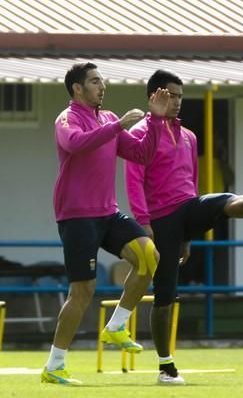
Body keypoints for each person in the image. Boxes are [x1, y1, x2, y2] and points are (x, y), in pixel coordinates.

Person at [124, 69, 243, 385]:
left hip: (188, 209)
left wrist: (189, 236)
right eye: (171, 95)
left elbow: (191, 182)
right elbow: (133, 180)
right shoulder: (140, 133)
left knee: (221, 200)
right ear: (154, 96)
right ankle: (165, 366)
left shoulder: (189, 136)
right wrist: (144, 223)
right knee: (165, 295)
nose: (178, 102)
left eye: (181, 96)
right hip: (161, 220)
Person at [41, 62, 170, 385]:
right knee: (83, 291)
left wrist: (155, 120)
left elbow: (141, 154)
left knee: (148, 255)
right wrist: (117, 127)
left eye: (102, 80)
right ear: (77, 89)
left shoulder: (109, 118)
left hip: (107, 213)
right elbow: (76, 144)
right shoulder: (67, 118)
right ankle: (54, 366)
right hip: (76, 215)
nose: (103, 86)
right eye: (95, 81)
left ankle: (116, 325)